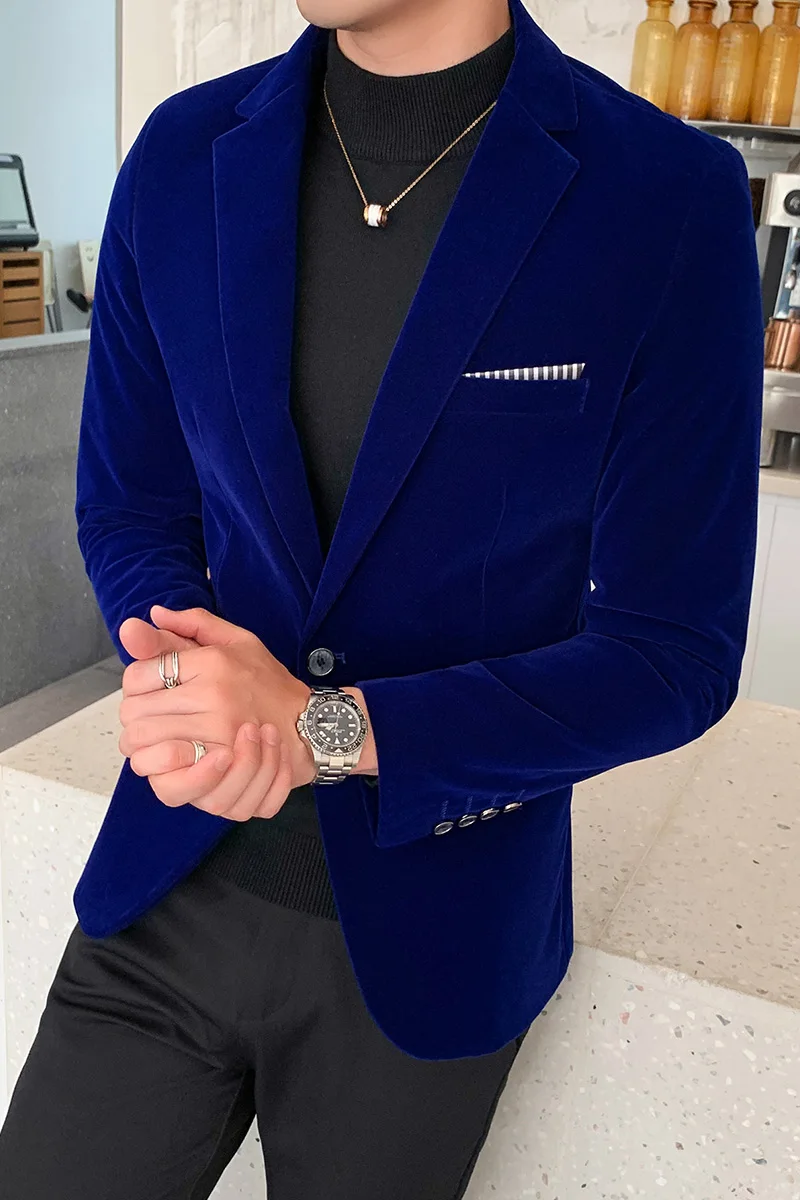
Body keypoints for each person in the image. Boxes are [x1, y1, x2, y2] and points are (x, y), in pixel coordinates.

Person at [0, 0, 764, 1196]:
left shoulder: (663, 195)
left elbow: (672, 651)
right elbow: (134, 509)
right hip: (165, 891)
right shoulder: (184, 152)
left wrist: (321, 732)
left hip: (435, 943)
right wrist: (180, 676)